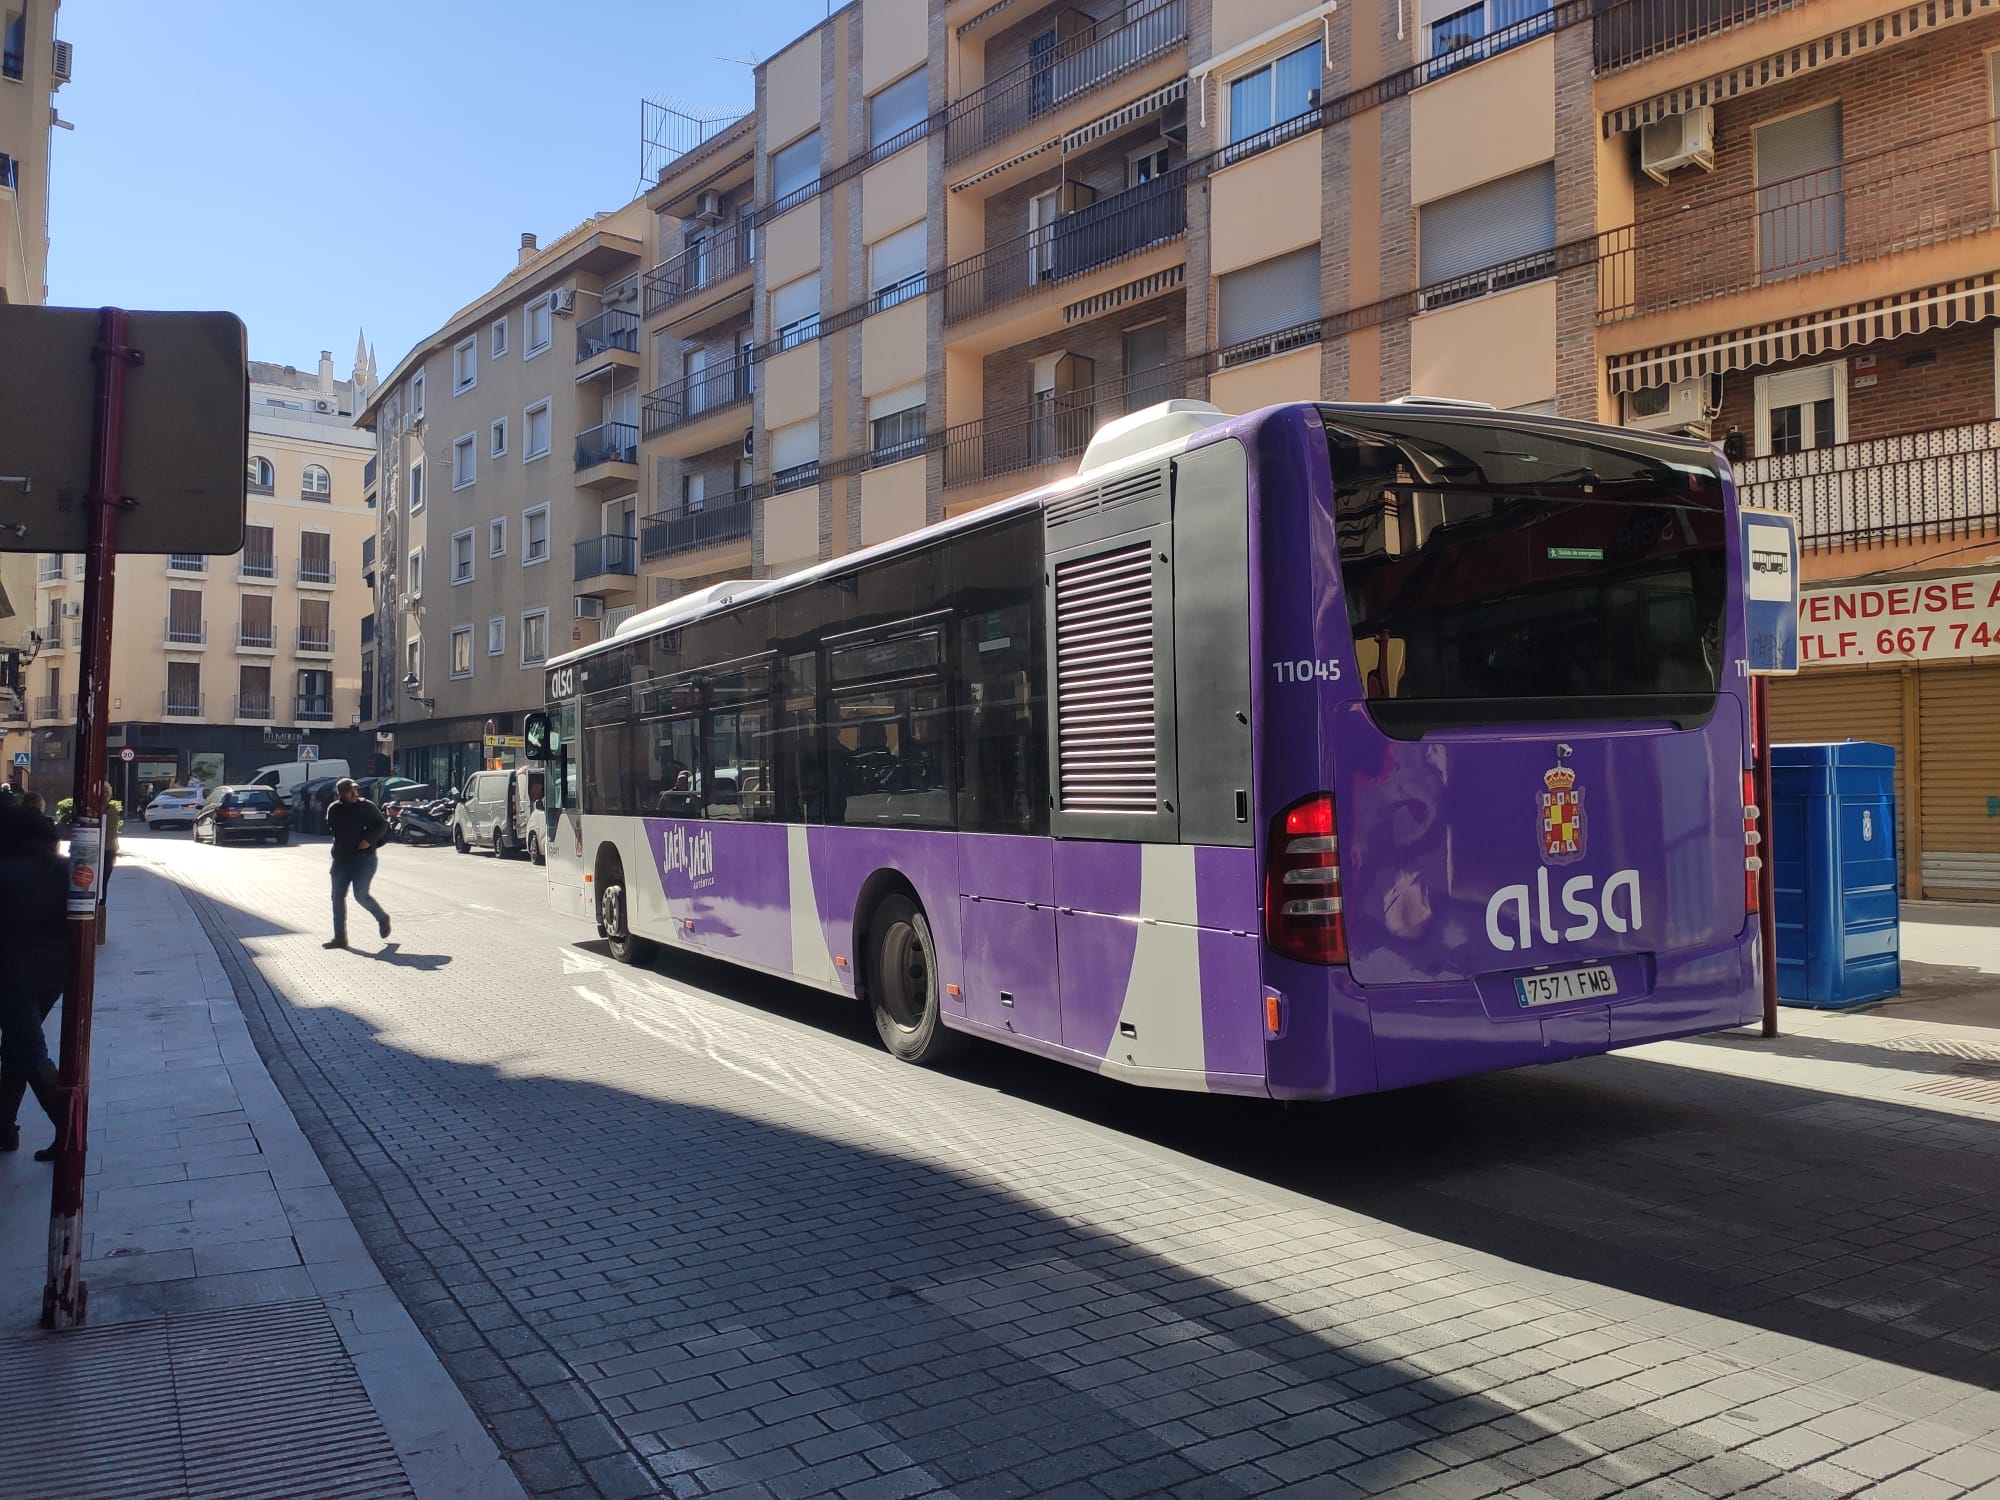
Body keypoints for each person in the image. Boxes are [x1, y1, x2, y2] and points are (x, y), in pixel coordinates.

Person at [0, 806, 70, 1159]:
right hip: (52, 974)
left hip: (11, 974)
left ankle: (69, 1133)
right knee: (18, 1047)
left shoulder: (6, 871)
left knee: (28, 1051)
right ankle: (3, 1128)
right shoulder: (64, 868)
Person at [324, 777, 391, 950]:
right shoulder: (334, 809)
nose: (355, 794)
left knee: (360, 895)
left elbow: (382, 825)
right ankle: (340, 938)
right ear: (341, 793)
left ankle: (382, 918)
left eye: (356, 790)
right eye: (351, 791)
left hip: (364, 860)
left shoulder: (366, 806)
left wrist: (368, 839)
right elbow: (334, 828)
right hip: (340, 861)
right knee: (337, 898)